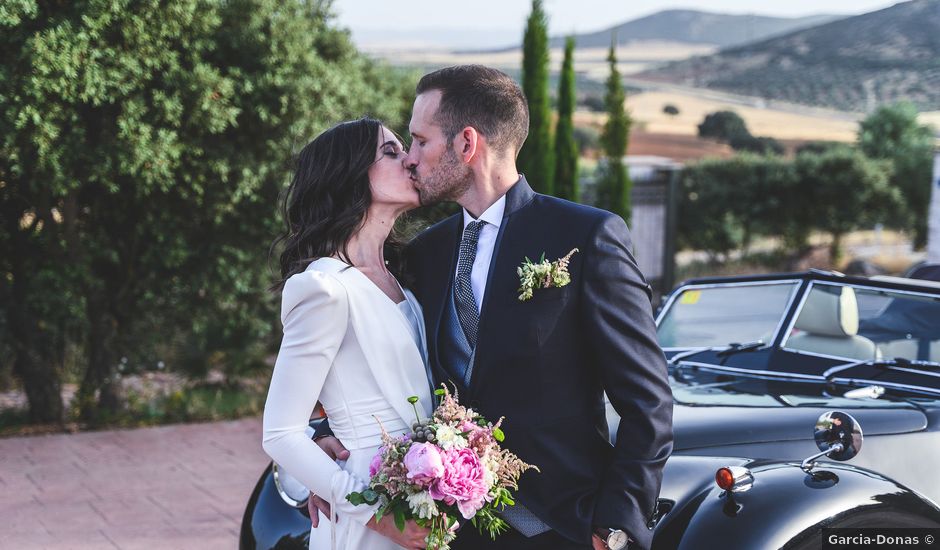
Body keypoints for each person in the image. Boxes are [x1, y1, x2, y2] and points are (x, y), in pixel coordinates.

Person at [312, 65, 673, 550]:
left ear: (466, 144)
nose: (411, 159)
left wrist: (616, 525)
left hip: (563, 527)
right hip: (449, 529)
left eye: (420, 141)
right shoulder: (423, 254)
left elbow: (648, 401)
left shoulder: (585, 237)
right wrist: (323, 436)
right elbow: (375, 356)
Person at [261, 117, 435, 550]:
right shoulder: (324, 286)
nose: (410, 160)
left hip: (418, 499)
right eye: (391, 152)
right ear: (351, 175)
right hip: (367, 514)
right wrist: (375, 514)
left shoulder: (402, 282)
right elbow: (280, 432)